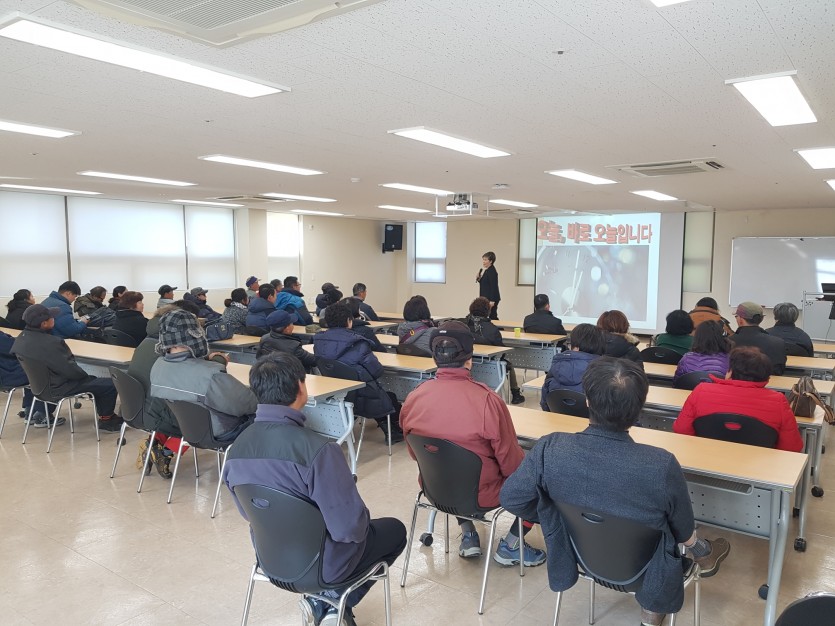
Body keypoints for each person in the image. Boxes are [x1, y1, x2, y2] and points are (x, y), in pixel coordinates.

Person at [500, 357, 731, 626]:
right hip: (646, 571)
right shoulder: (661, 464)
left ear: (587, 401)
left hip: (578, 558)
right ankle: (654, 612)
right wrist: (695, 545)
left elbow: (511, 498)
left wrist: (557, 518)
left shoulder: (549, 448)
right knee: (668, 539)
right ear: (639, 408)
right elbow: (682, 530)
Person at [223, 352, 407, 626]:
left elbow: (248, 512)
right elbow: (349, 530)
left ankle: (328, 605)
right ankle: (331, 601)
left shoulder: (236, 449)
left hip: (271, 560)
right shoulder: (319, 450)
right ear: (301, 388)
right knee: (394, 531)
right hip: (325, 567)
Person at [400, 321, 546, 566]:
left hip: (435, 489)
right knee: (541, 479)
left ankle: (469, 535)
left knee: (451, 467)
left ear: (434, 356)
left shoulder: (413, 398)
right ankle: (511, 544)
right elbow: (511, 464)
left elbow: (415, 454)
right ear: (469, 359)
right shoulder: (487, 401)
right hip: (482, 495)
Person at [10, 304, 123, 431]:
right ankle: (107, 420)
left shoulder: (21, 339)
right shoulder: (52, 343)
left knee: (96, 383)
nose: (54, 319)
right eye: (51, 317)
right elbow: (70, 371)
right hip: (59, 388)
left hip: (39, 389)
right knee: (109, 384)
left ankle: (105, 416)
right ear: (44, 323)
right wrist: (87, 377)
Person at [150, 308, 256, 442]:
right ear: (196, 334)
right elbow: (248, 405)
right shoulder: (210, 375)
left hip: (185, 429)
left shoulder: (157, 367)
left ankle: (168, 447)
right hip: (221, 431)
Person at [673, 346, 803, 452]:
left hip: (705, 458)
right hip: (758, 468)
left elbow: (681, 430)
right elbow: (792, 447)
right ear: (767, 379)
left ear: (730, 372)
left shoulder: (701, 390)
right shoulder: (779, 401)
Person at [312, 302, 403, 443]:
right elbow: (376, 371)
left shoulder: (318, 341)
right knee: (387, 395)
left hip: (335, 392)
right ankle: (393, 432)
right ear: (349, 321)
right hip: (362, 395)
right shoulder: (357, 343)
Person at [128, 300, 200, 479]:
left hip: (140, 408)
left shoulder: (147, 341)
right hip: (158, 407)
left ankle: (153, 443)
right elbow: (196, 373)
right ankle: (165, 452)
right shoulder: (172, 347)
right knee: (200, 417)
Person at [465, 297, 525, 404]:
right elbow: (501, 351)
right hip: (491, 366)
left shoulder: (464, 325)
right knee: (508, 365)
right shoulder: (492, 329)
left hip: (468, 365)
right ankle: (516, 394)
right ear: (487, 311)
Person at [540, 323, 604, 410]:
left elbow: (545, 403)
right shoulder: (603, 371)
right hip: (589, 418)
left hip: (556, 416)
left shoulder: (556, 365)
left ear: (574, 346)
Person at [1, 328, 57, 427]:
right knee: (49, 371)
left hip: (7, 373)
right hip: (9, 375)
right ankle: (42, 413)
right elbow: (15, 347)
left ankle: (30, 410)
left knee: (31, 369)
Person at [730, 301, 786, 374]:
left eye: (736, 316)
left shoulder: (728, 342)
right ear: (761, 319)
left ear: (740, 319)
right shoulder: (778, 343)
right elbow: (779, 371)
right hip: (767, 381)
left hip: (737, 381)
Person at [476, 251, 500, 320]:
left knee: (493, 316)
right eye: (483, 260)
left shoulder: (492, 271)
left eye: (485, 260)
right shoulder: (487, 270)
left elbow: (494, 286)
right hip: (486, 298)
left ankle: (498, 327)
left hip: (491, 299)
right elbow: (485, 284)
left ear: (491, 261)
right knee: (489, 316)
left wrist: (492, 300)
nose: (483, 262)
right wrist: (479, 278)